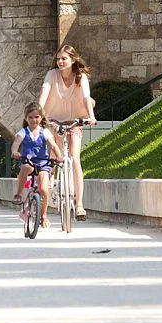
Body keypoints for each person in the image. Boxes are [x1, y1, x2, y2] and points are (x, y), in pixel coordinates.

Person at [38, 45, 97, 221]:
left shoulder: (81, 77)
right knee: (54, 157)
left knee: (74, 158)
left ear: (73, 60)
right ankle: (46, 195)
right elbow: (43, 94)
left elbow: (87, 97)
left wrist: (91, 116)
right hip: (54, 120)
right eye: (58, 59)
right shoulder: (52, 75)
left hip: (75, 120)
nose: (60, 62)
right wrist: (39, 116)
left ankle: (79, 205)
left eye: (64, 59)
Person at [11, 102, 64, 228]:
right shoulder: (23, 132)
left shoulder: (45, 132)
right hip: (28, 161)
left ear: (41, 118)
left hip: (42, 162)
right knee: (26, 167)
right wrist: (14, 152)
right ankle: (18, 193)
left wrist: (59, 156)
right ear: (26, 118)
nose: (34, 120)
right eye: (30, 117)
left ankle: (43, 215)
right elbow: (16, 143)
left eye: (36, 117)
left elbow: (53, 145)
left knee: (43, 190)